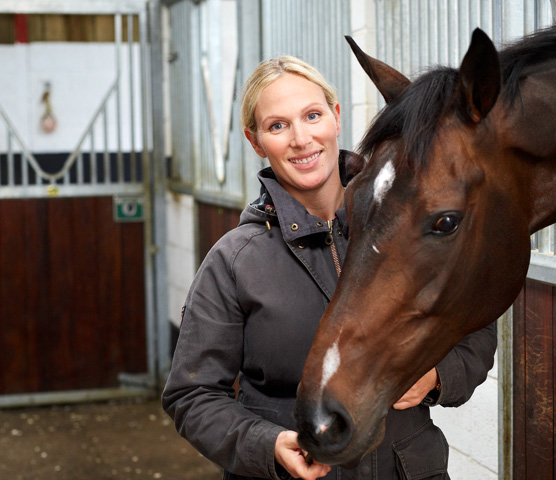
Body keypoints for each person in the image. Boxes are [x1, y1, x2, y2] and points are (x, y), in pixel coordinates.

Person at [161, 55, 497, 480]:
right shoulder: (234, 260)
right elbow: (191, 395)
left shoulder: (407, 228)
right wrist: (266, 445)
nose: (301, 139)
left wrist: (437, 376)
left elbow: (477, 328)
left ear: (336, 118)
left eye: (312, 115)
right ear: (255, 140)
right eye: (277, 126)